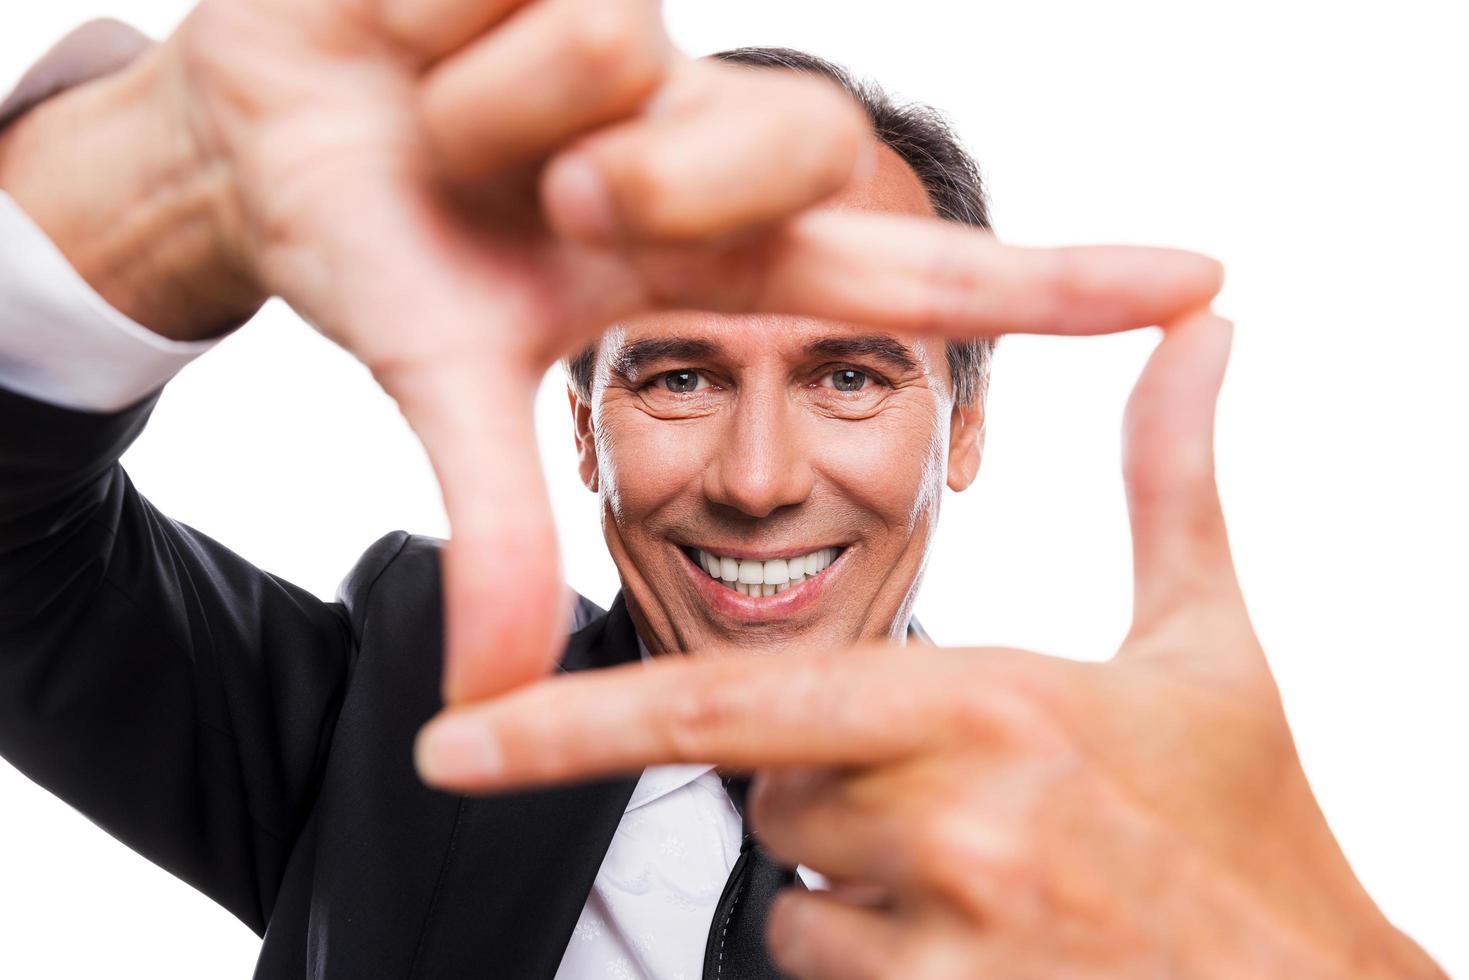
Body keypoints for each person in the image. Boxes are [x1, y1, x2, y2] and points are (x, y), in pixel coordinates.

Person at [0, 6, 1439, 980]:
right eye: (678, 377)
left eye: (851, 379)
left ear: (965, 427)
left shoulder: (1112, 879)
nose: (756, 482)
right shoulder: (408, 717)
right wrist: (155, 182)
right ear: (582, 431)